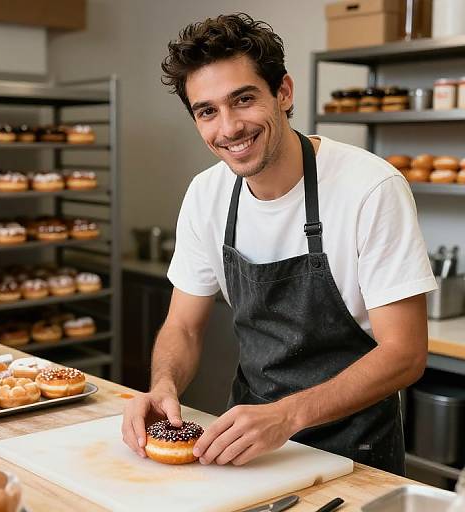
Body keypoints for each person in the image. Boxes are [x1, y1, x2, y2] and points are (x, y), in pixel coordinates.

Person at [121, 12, 437, 475]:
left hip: (356, 454)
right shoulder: (206, 195)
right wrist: (163, 386)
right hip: (249, 446)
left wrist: (287, 416)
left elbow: (405, 353)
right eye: (207, 111)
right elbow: (184, 327)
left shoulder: (370, 188)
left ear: (283, 92)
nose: (228, 128)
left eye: (243, 99)